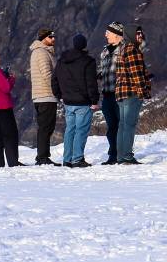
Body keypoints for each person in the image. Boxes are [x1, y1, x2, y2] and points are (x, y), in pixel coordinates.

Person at [52, 34, 99, 167]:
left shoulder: (62, 60)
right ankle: (78, 159)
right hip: (83, 102)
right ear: (84, 45)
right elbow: (91, 83)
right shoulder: (88, 61)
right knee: (81, 130)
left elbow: (54, 79)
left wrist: (59, 95)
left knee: (70, 130)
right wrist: (94, 100)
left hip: (67, 101)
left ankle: (67, 159)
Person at [115, 23, 152, 165]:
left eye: (141, 33)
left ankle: (121, 156)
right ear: (131, 34)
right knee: (129, 125)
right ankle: (127, 156)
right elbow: (136, 74)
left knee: (123, 125)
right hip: (131, 93)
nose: (140, 35)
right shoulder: (133, 50)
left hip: (121, 93)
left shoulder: (122, 48)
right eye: (138, 33)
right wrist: (143, 92)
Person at [30, 27, 59, 165]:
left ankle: (43, 156)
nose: (53, 39)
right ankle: (42, 157)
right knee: (45, 127)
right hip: (46, 94)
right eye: (50, 37)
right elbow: (47, 75)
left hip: (43, 95)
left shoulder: (43, 52)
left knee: (46, 126)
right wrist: (58, 89)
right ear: (43, 38)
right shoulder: (41, 53)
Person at [98, 22, 125, 164]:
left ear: (116, 34)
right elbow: (100, 71)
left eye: (108, 32)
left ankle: (124, 154)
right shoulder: (104, 51)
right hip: (107, 95)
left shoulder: (125, 49)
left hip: (120, 94)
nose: (105, 35)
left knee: (122, 125)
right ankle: (113, 155)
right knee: (111, 127)